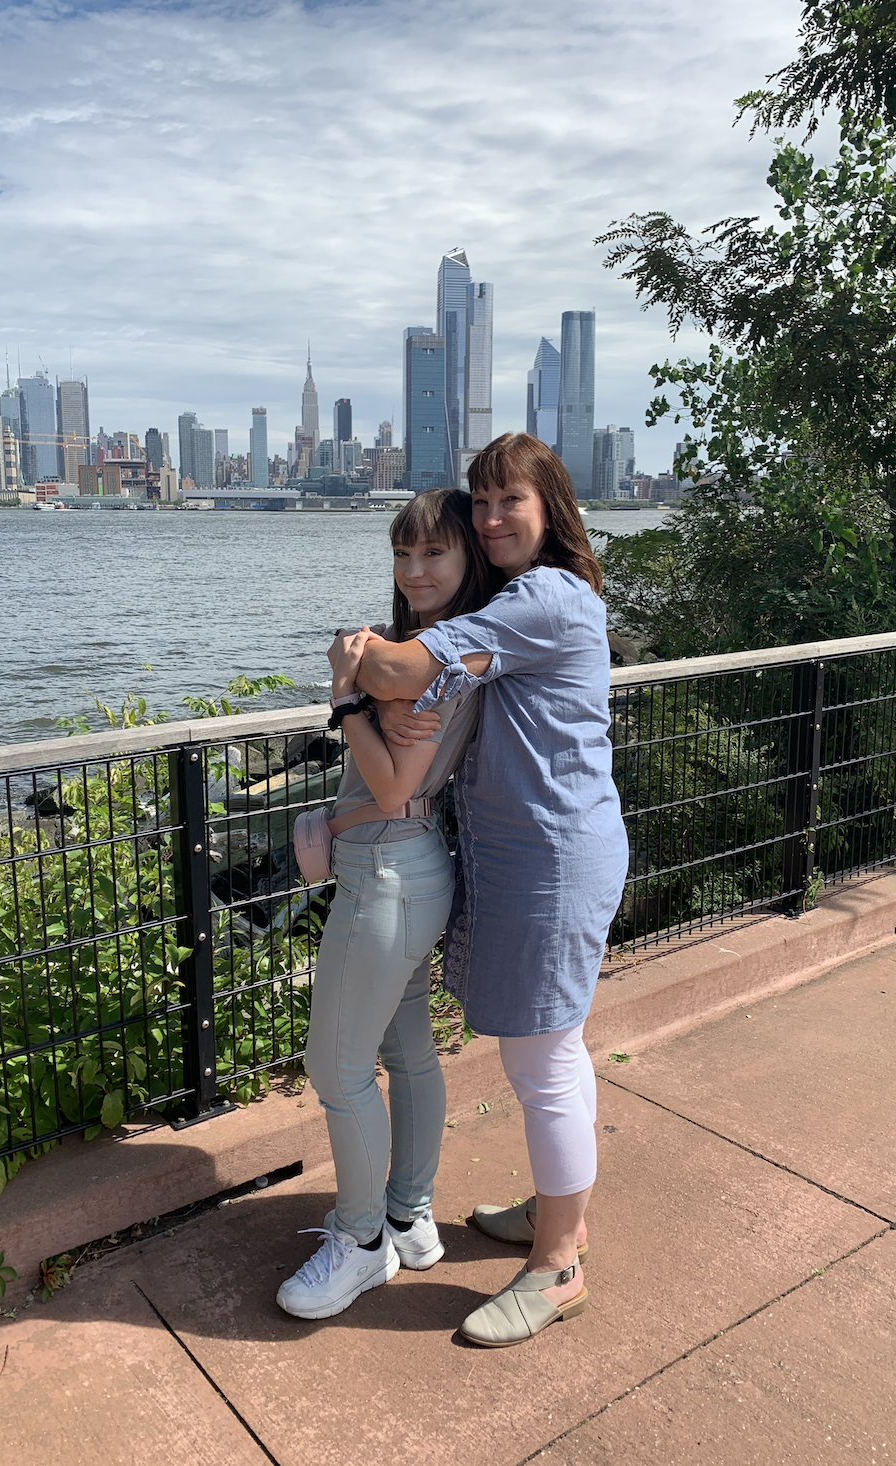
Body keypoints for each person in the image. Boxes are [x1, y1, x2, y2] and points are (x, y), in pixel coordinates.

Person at [349, 433, 629, 1348]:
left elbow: (397, 670)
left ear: (550, 506)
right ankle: (562, 1216)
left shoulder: (543, 597)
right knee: (558, 1054)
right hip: (542, 849)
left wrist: (351, 653)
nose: (492, 517)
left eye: (511, 500)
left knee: (541, 1063)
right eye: (481, 501)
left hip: (551, 855)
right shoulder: (537, 601)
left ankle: (558, 1268)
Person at [276, 488, 497, 1321]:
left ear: (468, 559)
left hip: (387, 881)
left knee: (336, 1069)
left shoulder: (432, 664)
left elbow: (396, 778)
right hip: (412, 871)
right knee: (407, 1054)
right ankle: (409, 1217)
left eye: (433, 553)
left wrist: (343, 684)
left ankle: (363, 1240)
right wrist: (365, 663)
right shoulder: (448, 655)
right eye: (402, 554)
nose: (413, 570)